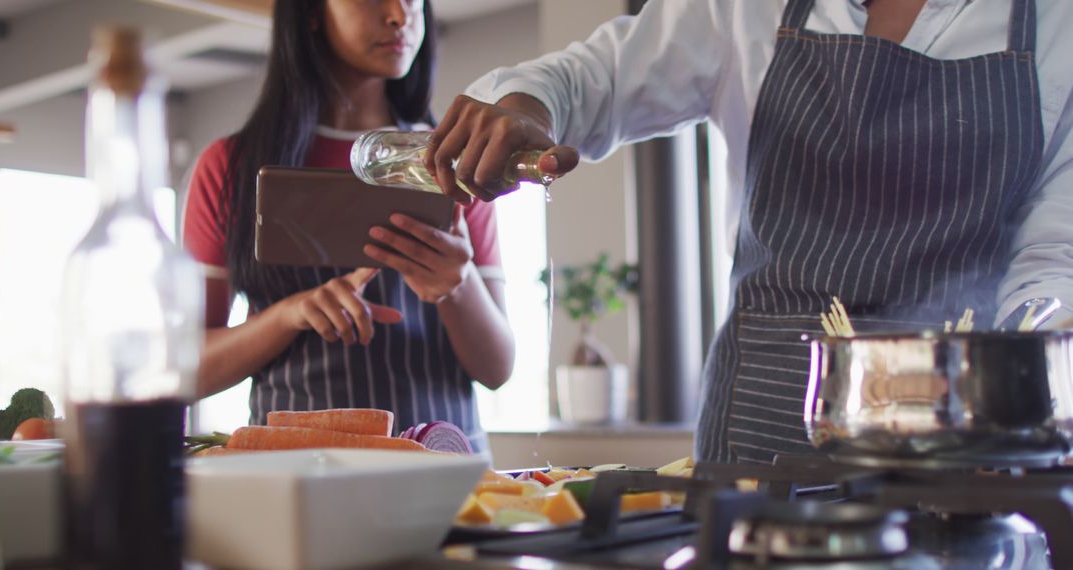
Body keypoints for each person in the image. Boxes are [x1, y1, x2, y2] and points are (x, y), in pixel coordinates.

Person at [424, 0, 1073, 463]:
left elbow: (1054, 260)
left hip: (959, 444)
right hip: (759, 443)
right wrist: (524, 108)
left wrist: (1019, 377)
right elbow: (592, 77)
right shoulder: (746, 8)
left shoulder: (1056, 25)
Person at [182, 0, 515, 454]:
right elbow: (186, 371)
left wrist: (458, 285)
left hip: (445, 476)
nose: (400, 14)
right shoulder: (230, 169)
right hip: (293, 475)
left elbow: (497, 369)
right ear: (311, 11)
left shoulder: (457, 165)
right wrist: (288, 315)